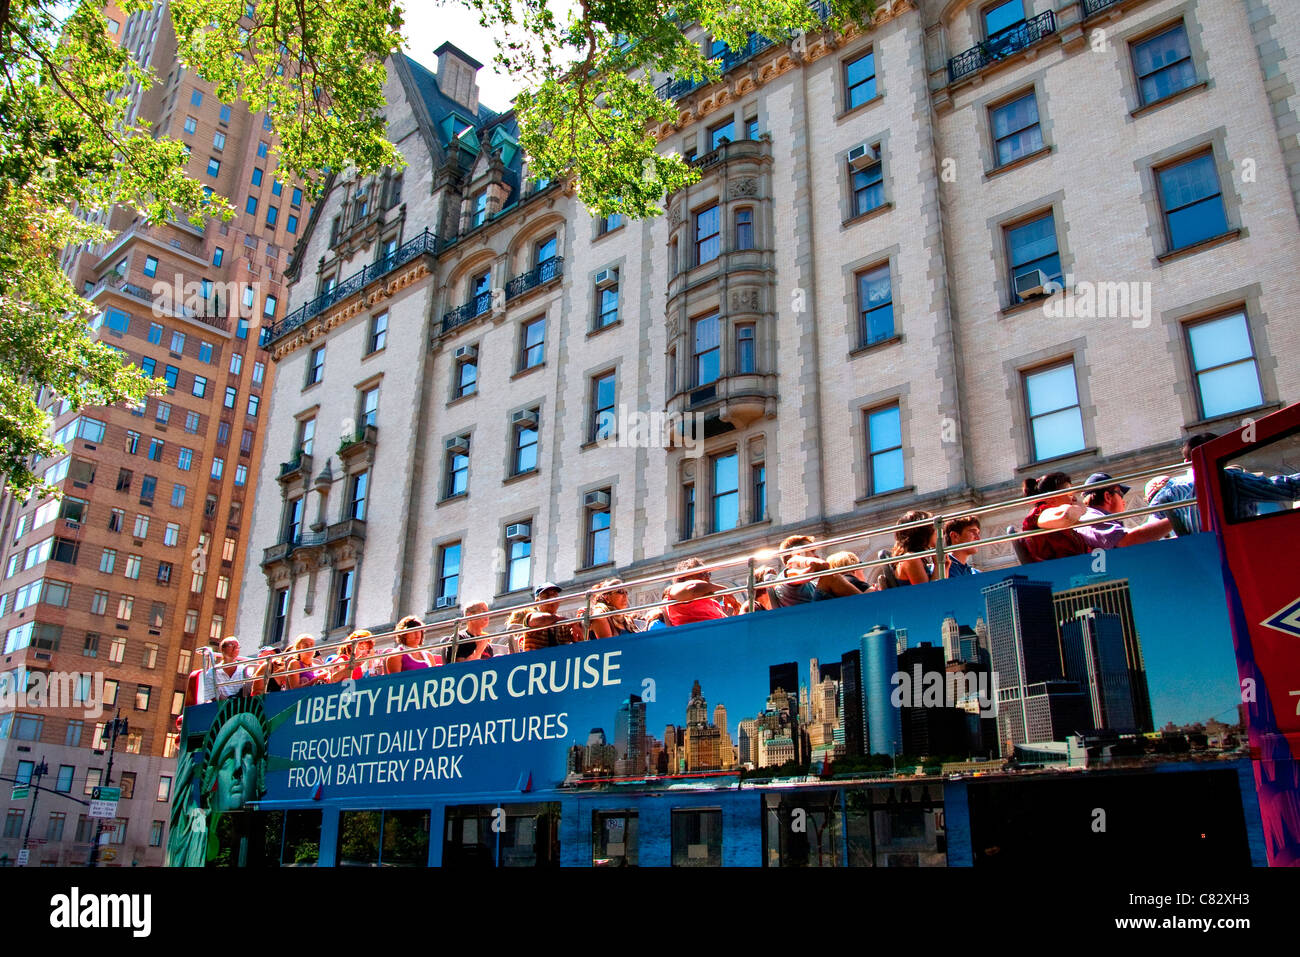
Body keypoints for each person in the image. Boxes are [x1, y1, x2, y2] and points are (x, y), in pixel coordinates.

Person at [1038, 472, 1172, 549]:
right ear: (1108, 496)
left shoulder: (1095, 517)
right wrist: (1177, 516)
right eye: (1121, 494)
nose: (1123, 501)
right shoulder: (1090, 517)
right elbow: (1127, 541)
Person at [1019, 473, 1089, 563]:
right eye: (1069, 494)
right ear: (1050, 499)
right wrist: (1081, 508)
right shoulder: (1041, 514)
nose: (1073, 499)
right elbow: (1065, 516)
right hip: (1054, 572)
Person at [663, 558, 739, 625]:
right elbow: (694, 588)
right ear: (687, 577)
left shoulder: (712, 602)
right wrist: (724, 590)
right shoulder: (674, 590)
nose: (707, 577)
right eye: (702, 573)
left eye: (708, 573)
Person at [522, 584, 582, 651]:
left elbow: (579, 642)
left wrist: (579, 626)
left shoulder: (563, 626)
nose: (551, 598)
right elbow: (540, 619)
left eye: (554, 595)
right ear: (537, 601)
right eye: (546, 595)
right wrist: (569, 622)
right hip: (536, 660)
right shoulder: (531, 617)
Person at [891, 510, 937, 585]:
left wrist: (945, 566)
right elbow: (929, 593)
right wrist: (938, 565)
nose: (937, 531)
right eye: (933, 528)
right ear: (923, 533)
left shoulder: (916, 558)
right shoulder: (912, 559)